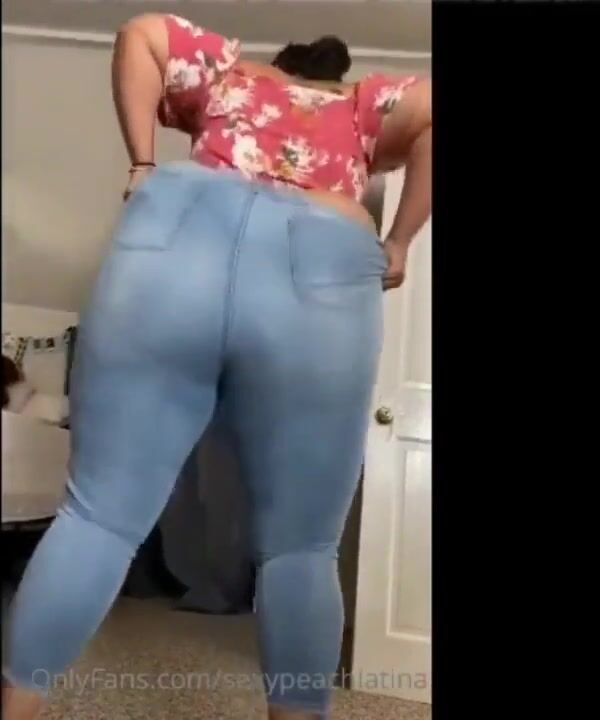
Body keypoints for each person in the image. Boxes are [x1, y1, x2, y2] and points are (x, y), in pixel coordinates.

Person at [3, 13, 431, 720]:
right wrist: (402, 238)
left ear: (280, 64)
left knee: (96, 518)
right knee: (301, 548)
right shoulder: (364, 105)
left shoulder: (232, 74)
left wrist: (143, 163)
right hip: (319, 269)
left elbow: (143, 31)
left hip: (177, 243)